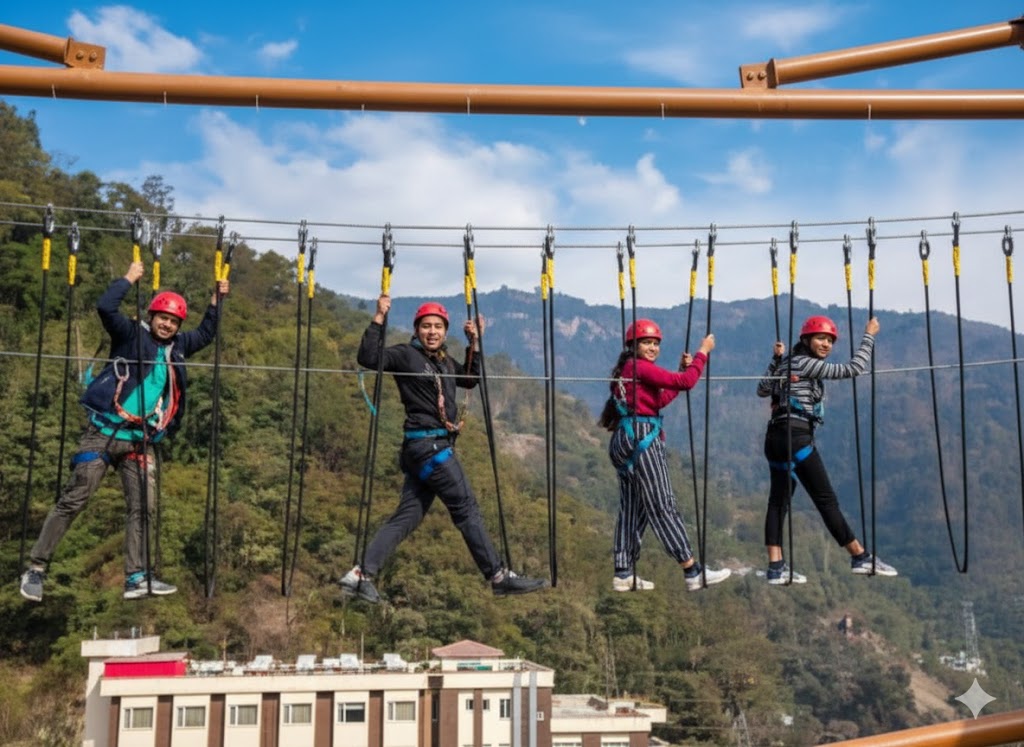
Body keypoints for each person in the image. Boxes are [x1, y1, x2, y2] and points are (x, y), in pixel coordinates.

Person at [19, 260, 229, 602]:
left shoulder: (177, 347)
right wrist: (129, 278)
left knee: (143, 508)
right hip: (103, 432)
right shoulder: (130, 334)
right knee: (75, 499)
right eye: (163, 318)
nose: (167, 324)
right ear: (152, 316)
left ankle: (135, 577)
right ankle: (36, 568)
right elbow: (106, 307)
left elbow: (206, 333)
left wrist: (216, 302)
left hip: (139, 440)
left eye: (173, 321)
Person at [342, 295, 547, 603]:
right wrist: (379, 318)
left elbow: (470, 379)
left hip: (422, 450)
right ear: (416, 330)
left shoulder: (445, 362)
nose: (432, 332)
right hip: (430, 446)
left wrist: (474, 344)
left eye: (438, 327)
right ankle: (497, 576)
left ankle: (360, 575)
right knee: (466, 508)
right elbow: (369, 358)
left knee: (407, 516)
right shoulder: (404, 355)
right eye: (426, 326)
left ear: (445, 331)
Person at [756, 314, 898, 585]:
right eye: (820, 338)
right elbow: (853, 369)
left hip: (774, 439)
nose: (826, 345)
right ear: (806, 339)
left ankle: (775, 567)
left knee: (778, 502)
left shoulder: (788, 362)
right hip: (796, 436)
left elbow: (762, 389)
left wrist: (775, 360)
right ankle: (859, 556)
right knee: (826, 500)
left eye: (830, 341)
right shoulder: (805, 362)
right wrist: (869, 335)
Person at [598, 319, 732, 593]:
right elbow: (686, 382)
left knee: (633, 508)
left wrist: (681, 370)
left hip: (625, 438)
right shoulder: (638, 367)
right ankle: (692, 570)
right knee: (662, 504)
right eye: (647, 343)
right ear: (633, 346)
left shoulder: (628, 370)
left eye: (656, 344)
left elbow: (658, 400)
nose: (652, 348)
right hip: (642, 437)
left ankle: (623, 571)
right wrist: (703, 352)